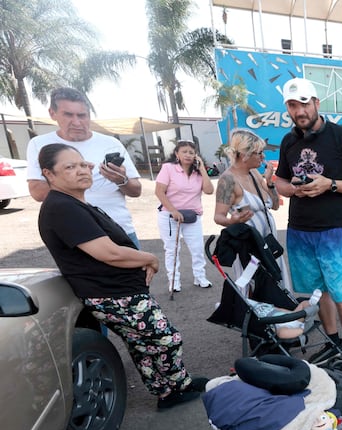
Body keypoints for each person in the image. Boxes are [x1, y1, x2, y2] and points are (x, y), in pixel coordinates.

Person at [35, 143, 206, 410]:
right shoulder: (61, 207)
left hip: (118, 291)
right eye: (69, 167)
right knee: (167, 338)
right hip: (113, 294)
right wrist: (150, 258)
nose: (81, 171)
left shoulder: (73, 203)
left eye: (83, 164)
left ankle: (170, 390)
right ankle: (175, 387)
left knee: (142, 344)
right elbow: (108, 253)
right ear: (49, 174)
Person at [273, 78, 342, 383]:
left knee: (341, 294)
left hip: (332, 231)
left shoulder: (340, 136)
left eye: (304, 103)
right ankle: (334, 343)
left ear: (317, 102)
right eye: (293, 105)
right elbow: (279, 182)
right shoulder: (289, 142)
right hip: (300, 229)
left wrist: (329, 184)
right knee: (318, 294)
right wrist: (292, 189)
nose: (299, 110)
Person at [26, 87, 142, 247]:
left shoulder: (111, 143)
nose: (77, 122)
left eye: (82, 115)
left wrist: (121, 180)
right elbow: (37, 192)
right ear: (52, 113)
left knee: (138, 271)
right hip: (77, 236)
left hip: (120, 230)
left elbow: (136, 191)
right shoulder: (40, 145)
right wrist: (78, 178)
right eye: (68, 115)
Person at [212, 129, 292, 288]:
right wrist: (231, 221)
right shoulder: (228, 180)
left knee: (278, 293)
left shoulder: (254, 173)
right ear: (244, 155)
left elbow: (274, 206)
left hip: (269, 247)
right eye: (259, 152)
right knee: (257, 294)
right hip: (249, 252)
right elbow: (218, 217)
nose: (263, 156)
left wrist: (269, 182)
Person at [155, 140, 214, 291]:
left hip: (193, 216)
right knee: (172, 249)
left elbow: (209, 190)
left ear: (196, 156)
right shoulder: (168, 168)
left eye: (191, 152)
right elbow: (159, 192)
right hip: (170, 216)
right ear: (177, 154)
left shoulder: (198, 172)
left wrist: (202, 170)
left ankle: (200, 277)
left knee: (197, 248)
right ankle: (173, 281)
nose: (188, 155)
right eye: (184, 152)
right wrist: (173, 210)